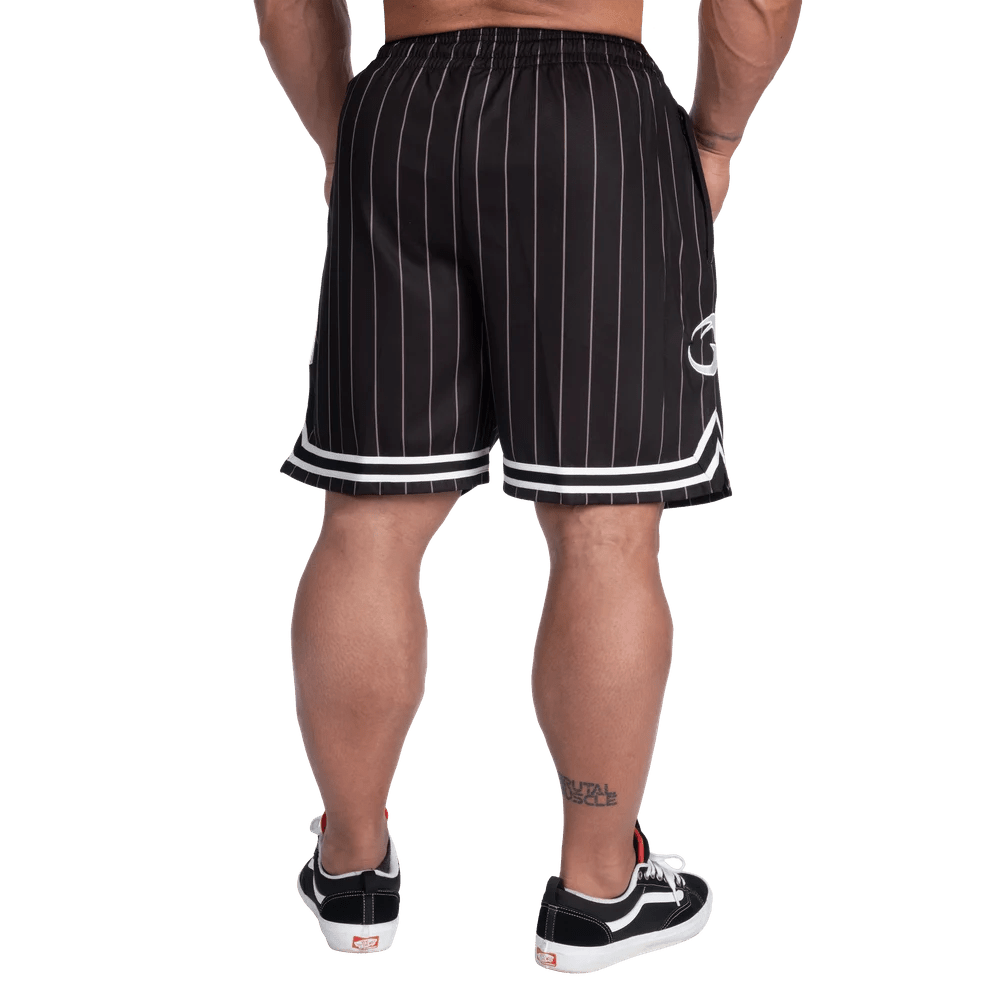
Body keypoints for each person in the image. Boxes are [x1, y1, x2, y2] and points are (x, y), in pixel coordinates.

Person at [252, 0, 801, 974]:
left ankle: (352, 869)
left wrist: (350, 135)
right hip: (596, 120)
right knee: (604, 529)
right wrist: (716, 140)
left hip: (406, 107)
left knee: (369, 518)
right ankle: (596, 893)